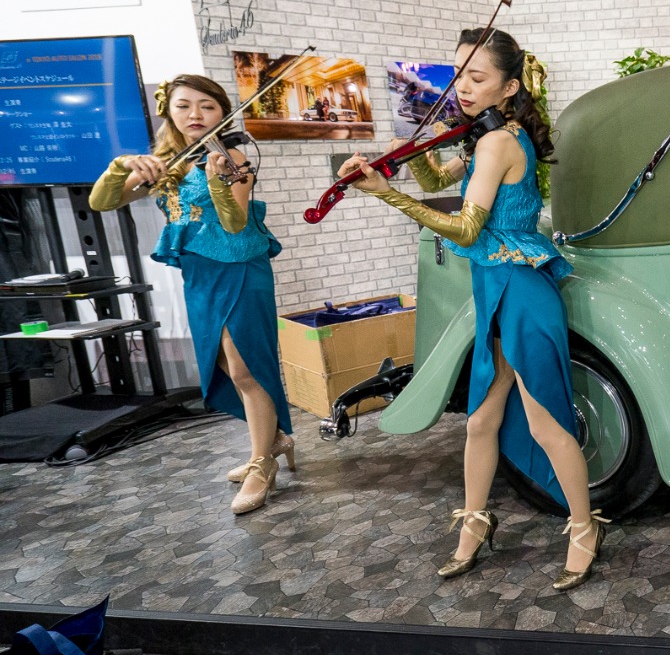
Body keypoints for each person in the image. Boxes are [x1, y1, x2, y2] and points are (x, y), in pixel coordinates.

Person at [340, 29, 606, 589]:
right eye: (458, 74)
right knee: (481, 419)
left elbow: (466, 228)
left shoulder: (497, 143)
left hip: (520, 291)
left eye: (477, 77)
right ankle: (475, 521)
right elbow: (440, 178)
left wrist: (384, 192)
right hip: (495, 286)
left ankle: (585, 528)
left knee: (546, 422)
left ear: (509, 87)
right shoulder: (490, 135)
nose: (461, 87)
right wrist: (418, 153)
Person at [88, 75, 295, 515]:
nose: (195, 115)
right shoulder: (166, 163)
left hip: (239, 268)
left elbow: (235, 223)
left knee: (246, 368)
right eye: (184, 106)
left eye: (207, 106)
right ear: (169, 112)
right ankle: (274, 438)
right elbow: (102, 202)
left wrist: (217, 181)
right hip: (199, 274)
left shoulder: (232, 157)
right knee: (222, 362)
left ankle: (263, 464)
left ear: (222, 112)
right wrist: (119, 166)